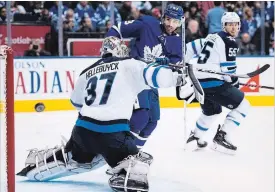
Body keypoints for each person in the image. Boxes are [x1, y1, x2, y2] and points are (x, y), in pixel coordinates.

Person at [17, 36, 195, 192]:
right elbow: (156, 76)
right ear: (119, 50)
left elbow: (76, 102)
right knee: (139, 165)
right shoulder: (130, 64)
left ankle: (46, 161)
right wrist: (177, 76)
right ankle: (124, 173)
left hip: (81, 132)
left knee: (74, 155)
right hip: (113, 136)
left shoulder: (86, 72)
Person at [106, 3, 184, 150]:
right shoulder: (147, 24)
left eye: (175, 21)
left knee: (152, 122)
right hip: (134, 75)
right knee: (141, 117)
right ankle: (119, 153)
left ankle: (132, 153)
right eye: (168, 19)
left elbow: (175, 64)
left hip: (151, 80)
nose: (170, 24)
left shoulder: (178, 41)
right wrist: (110, 49)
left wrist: (170, 65)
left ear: (180, 22)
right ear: (163, 17)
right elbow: (117, 29)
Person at [186, 12, 250, 155]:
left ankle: (195, 137)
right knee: (244, 105)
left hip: (199, 82)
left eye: (236, 24)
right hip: (214, 83)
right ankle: (222, 137)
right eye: (230, 24)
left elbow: (189, 48)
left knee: (212, 111)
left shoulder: (212, 37)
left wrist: (183, 63)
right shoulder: (230, 42)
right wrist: (236, 85)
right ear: (224, 25)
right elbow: (229, 71)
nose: (233, 27)